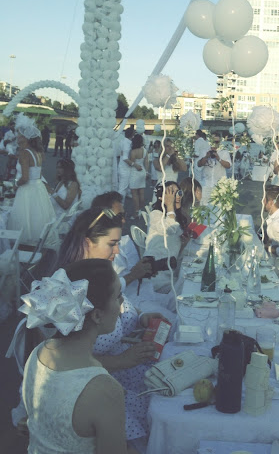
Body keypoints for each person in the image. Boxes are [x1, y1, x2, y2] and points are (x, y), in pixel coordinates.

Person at [55, 208, 168, 442]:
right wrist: (122, 361)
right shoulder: (73, 289)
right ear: (88, 242)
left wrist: (142, 316)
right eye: (112, 244)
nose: (118, 251)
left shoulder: (102, 274)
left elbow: (124, 304)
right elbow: (65, 359)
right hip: (106, 383)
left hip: (125, 372)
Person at [21, 259, 137, 454]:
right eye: (118, 296)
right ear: (98, 316)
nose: (122, 302)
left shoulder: (39, 352)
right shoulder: (104, 389)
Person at [7, 113, 56, 243]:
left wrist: (15, 185)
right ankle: (35, 245)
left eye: (19, 134)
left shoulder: (24, 153)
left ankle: (24, 245)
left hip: (27, 190)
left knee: (25, 218)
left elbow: (25, 178)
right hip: (38, 188)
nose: (17, 137)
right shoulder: (38, 152)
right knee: (36, 217)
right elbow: (38, 174)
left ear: (25, 137)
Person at [145, 182, 189, 291]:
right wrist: (169, 206)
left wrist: (183, 244)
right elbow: (169, 229)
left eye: (178, 192)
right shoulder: (156, 214)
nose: (177, 196)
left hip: (170, 271)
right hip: (156, 274)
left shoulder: (175, 217)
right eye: (171, 193)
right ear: (162, 197)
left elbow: (175, 250)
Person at [198, 134, 231, 205]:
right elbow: (199, 164)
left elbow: (228, 165)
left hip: (219, 185)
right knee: (204, 205)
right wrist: (206, 157)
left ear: (219, 142)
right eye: (213, 141)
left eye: (216, 142)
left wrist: (219, 159)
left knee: (219, 206)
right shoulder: (204, 151)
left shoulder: (224, 152)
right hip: (206, 183)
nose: (214, 143)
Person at [128, 134, 149, 219]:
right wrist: (146, 172)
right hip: (143, 171)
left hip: (135, 172)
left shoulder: (133, 152)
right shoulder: (144, 151)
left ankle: (136, 213)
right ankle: (141, 210)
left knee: (134, 194)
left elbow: (132, 163)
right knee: (141, 193)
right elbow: (147, 162)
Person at [118, 127, 134, 200]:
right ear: (132, 135)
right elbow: (125, 158)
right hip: (125, 169)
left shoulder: (122, 141)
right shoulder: (127, 144)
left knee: (123, 187)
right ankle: (120, 205)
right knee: (122, 189)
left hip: (121, 167)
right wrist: (134, 164)